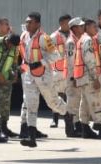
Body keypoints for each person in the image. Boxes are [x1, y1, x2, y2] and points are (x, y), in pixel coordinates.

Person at [18, 12, 64, 143]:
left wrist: (41, 62)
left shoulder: (44, 38)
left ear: (37, 24)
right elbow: (25, 57)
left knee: (53, 102)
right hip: (29, 76)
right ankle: (31, 137)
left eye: (30, 22)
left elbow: (56, 55)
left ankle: (70, 114)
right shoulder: (24, 36)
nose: (27, 24)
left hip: (44, 75)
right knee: (31, 104)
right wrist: (21, 68)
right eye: (26, 21)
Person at [73, 18, 101, 139]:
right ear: (86, 28)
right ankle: (100, 126)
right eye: (93, 27)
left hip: (82, 76)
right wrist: (95, 78)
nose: (96, 29)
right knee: (96, 101)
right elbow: (90, 60)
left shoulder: (82, 39)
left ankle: (85, 128)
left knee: (85, 103)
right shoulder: (88, 40)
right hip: (89, 77)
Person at [0, 18, 26, 145]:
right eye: (5, 24)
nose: (8, 26)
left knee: (5, 104)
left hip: (6, 79)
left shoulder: (14, 44)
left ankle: (4, 127)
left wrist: (15, 74)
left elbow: (14, 61)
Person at [62, 17, 86, 137]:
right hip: (72, 77)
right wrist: (75, 78)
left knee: (76, 102)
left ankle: (76, 126)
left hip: (76, 76)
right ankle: (70, 129)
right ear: (74, 28)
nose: (83, 28)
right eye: (80, 26)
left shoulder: (78, 39)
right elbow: (71, 62)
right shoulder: (71, 42)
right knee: (72, 102)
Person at [49, 14, 72, 129]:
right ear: (62, 23)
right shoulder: (53, 36)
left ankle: (69, 119)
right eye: (68, 22)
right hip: (57, 70)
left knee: (70, 94)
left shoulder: (74, 35)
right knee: (57, 95)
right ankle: (55, 119)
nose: (70, 25)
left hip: (71, 69)